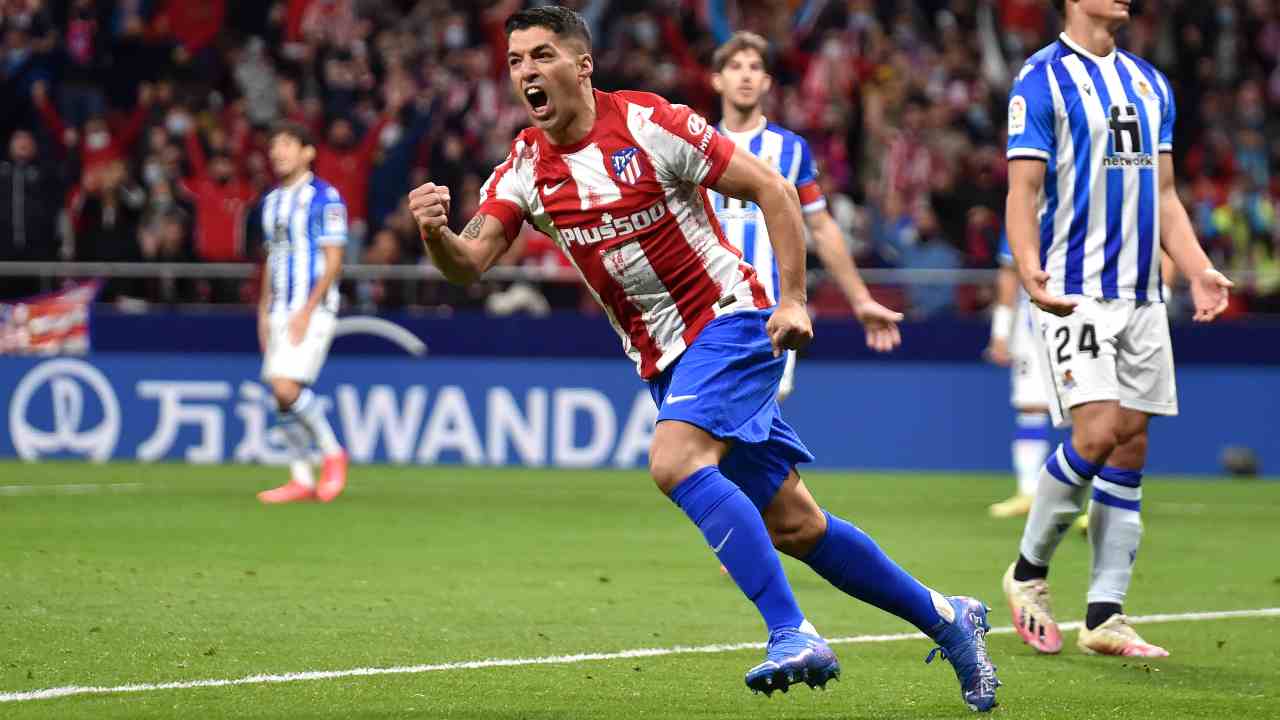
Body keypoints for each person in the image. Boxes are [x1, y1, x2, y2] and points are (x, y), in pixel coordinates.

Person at [408, 7, 997, 711]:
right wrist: (435, 233)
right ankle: (946, 616)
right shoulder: (526, 168)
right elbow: (468, 264)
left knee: (674, 460)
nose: (527, 73)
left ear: (582, 65)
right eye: (515, 62)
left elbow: (772, 191)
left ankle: (791, 632)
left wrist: (797, 300)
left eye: (542, 56)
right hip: (664, 363)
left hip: (728, 321)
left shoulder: (653, 124)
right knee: (798, 526)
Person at [1001, 0, 1233, 658]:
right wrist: (1026, 268)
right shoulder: (1040, 80)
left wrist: (1197, 268)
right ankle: (1027, 572)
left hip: (1143, 296)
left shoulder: (1149, 83)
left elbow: (1164, 195)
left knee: (1129, 446)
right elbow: (1022, 191)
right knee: (1096, 431)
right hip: (1077, 293)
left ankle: (1105, 615)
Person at [706, 31, 902, 402]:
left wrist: (859, 299)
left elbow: (822, 227)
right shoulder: (694, 143)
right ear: (717, 80)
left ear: (766, 82)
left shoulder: (791, 150)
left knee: (751, 428)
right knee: (713, 432)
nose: (745, 76)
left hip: (772, 312)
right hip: (706, 312)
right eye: (735, 67)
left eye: (755, 68)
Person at [255, 122, 350, 504]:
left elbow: (335, 258)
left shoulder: (326, 197)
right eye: (274, 145)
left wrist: (307, 309)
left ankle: (332, 453)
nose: (278, 152)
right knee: (280, 396)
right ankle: (300, 478)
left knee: (285, 387)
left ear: (308, 151)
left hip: (312, 306)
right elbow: (272, 257)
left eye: (287, 144)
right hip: (279, 307)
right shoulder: (271, 202)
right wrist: (263, 310)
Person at [984, 233, 1052, 518]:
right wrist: (1001, 333)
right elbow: (1009, 274)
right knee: (1031, 406)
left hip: (1085, 315)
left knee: (1092, 409)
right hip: (1032, 323)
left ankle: (1103, 497)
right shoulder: (1022, 208)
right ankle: (1029, 491)